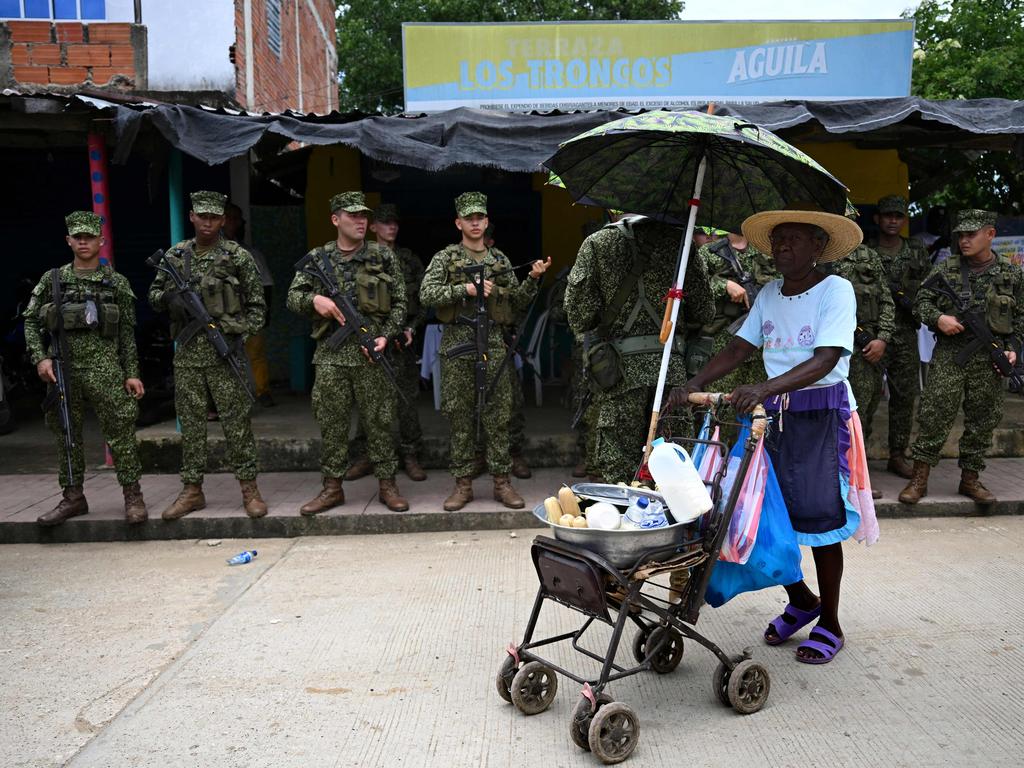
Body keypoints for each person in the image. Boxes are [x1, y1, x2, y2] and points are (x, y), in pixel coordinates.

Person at [667, 207, 872, 664]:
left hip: (821, 414)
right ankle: (802, 599)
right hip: (774, 414)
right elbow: (741, 346)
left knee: (820, 522)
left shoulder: (837, 290)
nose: (782, 247)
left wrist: (763, 387)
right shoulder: (771, 293)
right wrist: (693, 384)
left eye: (794, 239)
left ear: (818, 247)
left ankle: (831, 622)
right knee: (759, 513)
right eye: (778, 240)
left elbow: (825, 360)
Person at [419, 192, 551, 511]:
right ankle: (463, 485)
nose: (475, 222)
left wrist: (533, 278)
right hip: (457, 346)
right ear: (458, 223)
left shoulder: (499, 260)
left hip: (492, 344)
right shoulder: (446, 258)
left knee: (498, 415)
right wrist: (463, 289)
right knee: (460, 415)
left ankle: (501, 482)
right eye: (469, 218)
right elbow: (425, 295)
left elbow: (517, 301)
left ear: (487, 221)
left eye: (480, 217)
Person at [565, 214, 714, 484]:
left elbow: (579, 317)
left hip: (620, 374)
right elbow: (704, 311)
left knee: (620, 473)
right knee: (674, 469)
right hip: (672, 376)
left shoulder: (598, 244)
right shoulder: (681, 245)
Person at [287, 192, 410, 514]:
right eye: (352, 215)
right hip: (331, 356)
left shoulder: (383, 256)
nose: (360, 221)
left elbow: (400, 303)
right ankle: (332, 488)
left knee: (380, 422)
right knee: (332, 424)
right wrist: (315, 301)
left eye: (364, 216)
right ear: (335, 219)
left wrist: (386, 335)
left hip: (373, 356)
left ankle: (387, 485)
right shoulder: (318, 258)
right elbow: (293, 297)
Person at [148, 191, 268, 520]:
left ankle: (249, 489)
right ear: (192, 217)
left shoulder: (237, 256)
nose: (208, 222)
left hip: (224, 354)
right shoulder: (175, 256)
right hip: (188, 356)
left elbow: (258, 307)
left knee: (237, 424)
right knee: (193, 426)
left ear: (223, 220)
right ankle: (192, 490)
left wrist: (236, 333)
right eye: (202, 216)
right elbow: (154, 296)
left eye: (215, 217)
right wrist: (172, 300)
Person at [23, 211, 147, 525]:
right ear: (68, 240)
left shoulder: (115, 282)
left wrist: (132, 372)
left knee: (120, 433)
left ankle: (133, 496)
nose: (83, 242)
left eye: (89, 237)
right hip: (62, 370)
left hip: (105, 368)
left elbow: (127, 332)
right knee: (67, 435)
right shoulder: (53, 280)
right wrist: (41, 357)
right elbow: (31, 321)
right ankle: (73, 497)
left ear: (100, 241)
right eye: (77, 237)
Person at [899, 210, 1023, 506]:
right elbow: (920, 302)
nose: (964, 240)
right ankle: (920, 478)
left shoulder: (1011, 273)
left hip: (990, 355)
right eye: (961, 235)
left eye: (971, 234)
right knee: (934, 413)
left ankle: (970, 479)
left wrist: (1013, 347)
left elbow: (1020, 316)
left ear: (990, 234)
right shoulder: (947, 269)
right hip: (951, 353)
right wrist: (939, 318)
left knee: (983, 417)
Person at [346, 203, 429, 483]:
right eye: (384, 222)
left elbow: (424, 299)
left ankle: (410, 455)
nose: (391, 227)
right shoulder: (360, 258)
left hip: (400, 342)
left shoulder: (408, 259)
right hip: (368, 342)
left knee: (406, 400)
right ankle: (366, 455)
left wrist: (412, 328)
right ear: (373, 226)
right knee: (369, 402)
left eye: (394, 222)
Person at [823, 206, 895, 474]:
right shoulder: (813, 256)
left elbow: (886, 300)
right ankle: (827, 474)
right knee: (823, 410)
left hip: (863, 349)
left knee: (859, 414)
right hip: (822, 348)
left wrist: (882, 339)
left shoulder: (868, 257)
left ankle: (855, 476)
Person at [868, 195, 930, 478]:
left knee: (905, 396)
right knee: (865, 397)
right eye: (888, 215)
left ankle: (897, 454)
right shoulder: (866, 251)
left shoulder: (916, 251)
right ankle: (858, 458)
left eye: (898, 216)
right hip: (871, 334)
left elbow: (929, 288)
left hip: (905, 332)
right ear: (877, 219)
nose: (893, 221)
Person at [689, 230, 778, 397]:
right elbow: (692, 285)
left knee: (759, 410)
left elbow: (785, 284)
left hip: (764, 346)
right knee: (723, 405)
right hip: (724, 346)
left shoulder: (768, 252)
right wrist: (724, 285)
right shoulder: (709, 251)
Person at [223, 202, 275, 408]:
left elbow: (266, 284)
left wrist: (262, 315)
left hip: (247, 312)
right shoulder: (202, 250)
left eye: (238, 219)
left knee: (255, 353)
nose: (236, 224)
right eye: (232, 218)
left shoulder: (248, 253)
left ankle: (263, 392)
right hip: (219, 316)